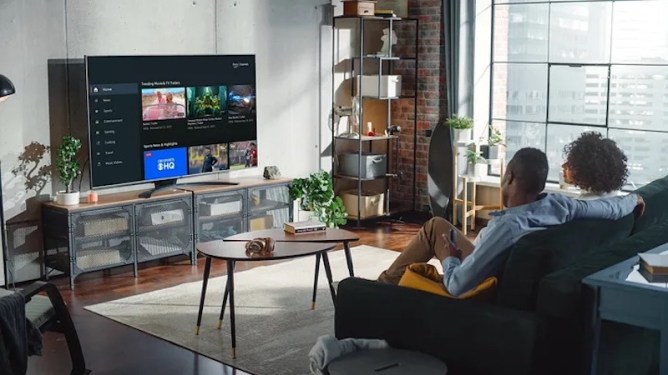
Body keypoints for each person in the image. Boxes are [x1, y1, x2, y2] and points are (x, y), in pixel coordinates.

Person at [377, 147, 645, 297]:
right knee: (436, 225)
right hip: (491, 256)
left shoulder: (507, 228)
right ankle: (383, 285)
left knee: (433, 229)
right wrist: (633, 201)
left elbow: (457, 285)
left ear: (509, 176)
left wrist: (451, 258)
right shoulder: (559, 205)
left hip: (483, 280)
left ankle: (379, 292)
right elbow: (608, 207)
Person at [562, 132, 628, 200]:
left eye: (570, 164)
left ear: (585, 170)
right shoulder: (615, 198)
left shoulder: (579, 205)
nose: (563, 166)